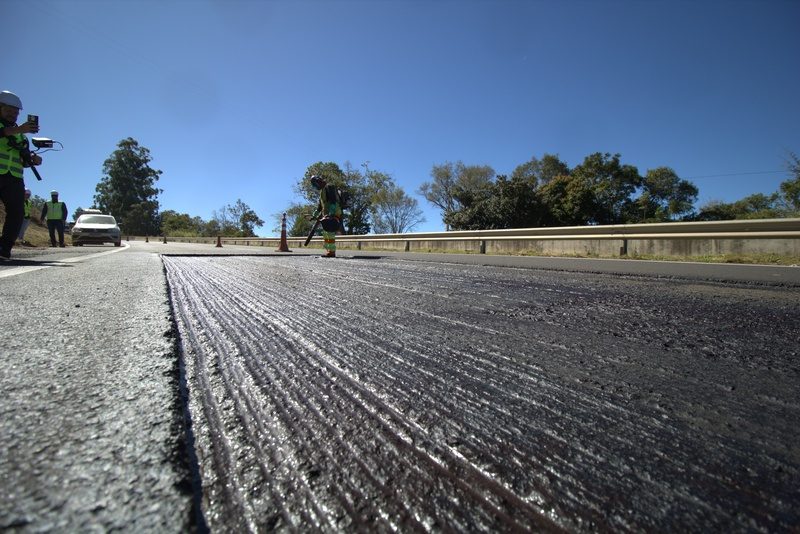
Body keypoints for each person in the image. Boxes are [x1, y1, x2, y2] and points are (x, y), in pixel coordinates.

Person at [0, 90, 41, 260]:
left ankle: (4, 248)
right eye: (8, 110)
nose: (12, 114)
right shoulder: (15, 131)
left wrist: (34, 160)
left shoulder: (22, 136)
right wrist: (18, 130)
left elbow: (23, 160)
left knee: (17, 213)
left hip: (14, 178)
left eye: (15, 112)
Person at [309, 175, 343, 258]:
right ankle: (329, 250)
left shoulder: (329, 187)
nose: (315, 187)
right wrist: (314, 215)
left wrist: (331, 213)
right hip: (326, 215)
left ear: (318, 181)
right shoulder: (322, 192)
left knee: (330, 232)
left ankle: (332, 252)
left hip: (333, 213)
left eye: (315, 184)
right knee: (326, 233)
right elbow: (320, 207)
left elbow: (333, 201)